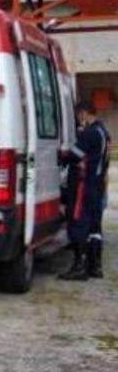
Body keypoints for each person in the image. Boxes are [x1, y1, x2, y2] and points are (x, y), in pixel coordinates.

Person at [59, 100, 111, 281]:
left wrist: (59, 154)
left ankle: (78, 267)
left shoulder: (90, 133)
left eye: (79, 115)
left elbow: (73, 155)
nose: (79, 119)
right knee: (94, 226)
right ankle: (94, 266)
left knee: (77, 221)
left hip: (83, 184)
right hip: (97, 185)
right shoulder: (104, 132)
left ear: (84, 113)